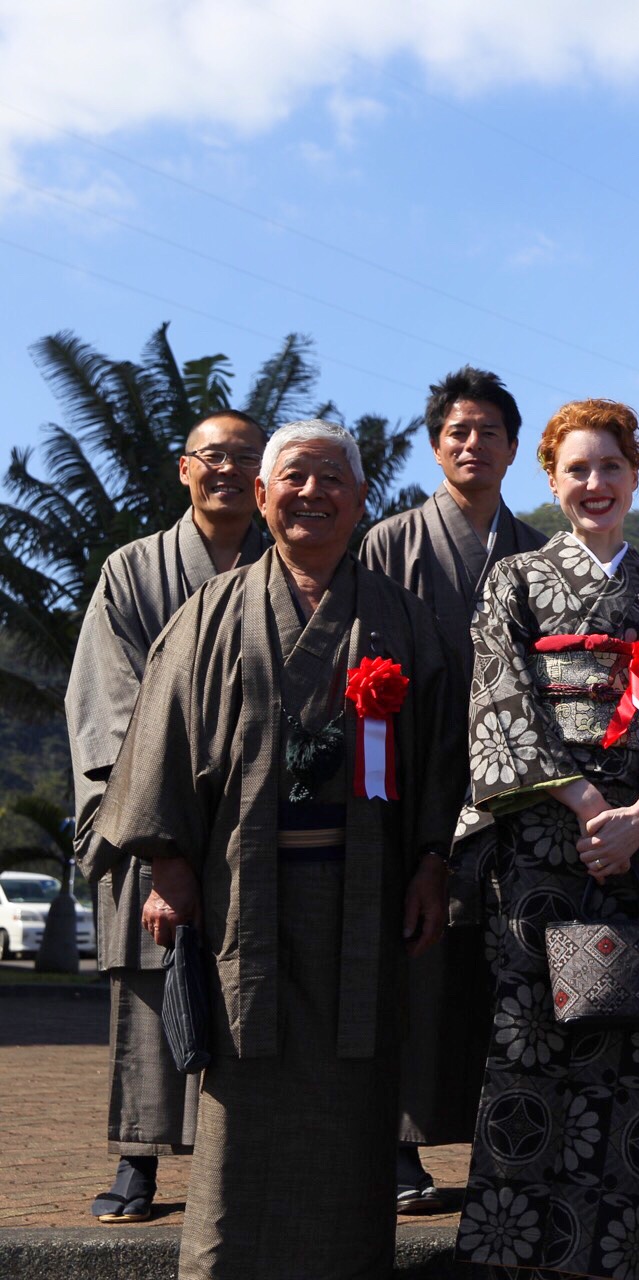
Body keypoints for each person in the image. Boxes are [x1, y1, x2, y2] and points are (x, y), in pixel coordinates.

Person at [93, 420, 464, 1279]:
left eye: (333, 478)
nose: (313, 493)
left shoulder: (400, 618)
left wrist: (432, 867)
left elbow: (445, 754)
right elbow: (162, 744)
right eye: (294, 476)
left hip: (365, 897)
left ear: (363, 500)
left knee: (353, 1089)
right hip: (240, 898)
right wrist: (169, 867)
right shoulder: (209, 615)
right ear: (262, 495)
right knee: (243, 1101)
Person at [455, 399, 639, 1280]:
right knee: (529, 1044)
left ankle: (612, 1252)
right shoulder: (515, 581)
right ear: (552, 478)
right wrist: (580, 804)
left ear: (635, 475)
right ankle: (512, 1255)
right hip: (544, 843)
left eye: (611, 467)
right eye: (578, 469)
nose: (595, 484)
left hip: (638, 853)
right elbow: (500, 700)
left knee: (626, 1050)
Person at [69, 408, 270, 1224]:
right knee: (150, 985)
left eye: (245, 458)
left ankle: (264, 1150)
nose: (227, 470)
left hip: (261, 814)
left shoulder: (296, 564)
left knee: (267, 980)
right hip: (148, 813)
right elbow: (108, 708)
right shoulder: (132, 570)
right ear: (184, 469)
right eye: (211, 456)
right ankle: (138, 1158)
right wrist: (159, 826)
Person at [360, 364, 545, 1212]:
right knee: (413, 959)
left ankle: (499, 1148)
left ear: (514, 448)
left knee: (504, 966)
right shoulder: (390, 543)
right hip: (412, 773)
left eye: (489, 432)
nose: (473, 444)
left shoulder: (539, 551)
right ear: (437, 445)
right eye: (457, 432)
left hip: (514, 786)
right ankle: (398, 1147)